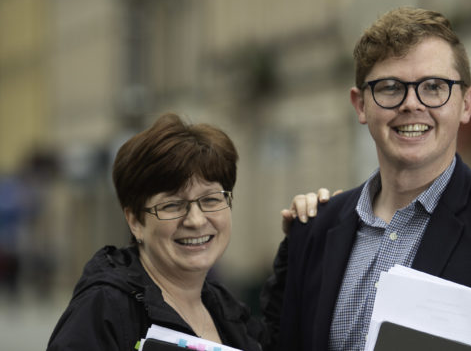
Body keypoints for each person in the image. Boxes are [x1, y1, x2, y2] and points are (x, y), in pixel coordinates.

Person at [270, 7, 471, 350]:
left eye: (433, 87)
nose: (411, 104)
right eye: (390, 88)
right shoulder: (316, 227)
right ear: (360, 104)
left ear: (467, 103)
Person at [47, 113, 291, 351]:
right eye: (172, 205)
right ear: (135, 222)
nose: (195, 220)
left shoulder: (224, 308)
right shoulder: (104, 310)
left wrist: (303, 238)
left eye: (210, 200)